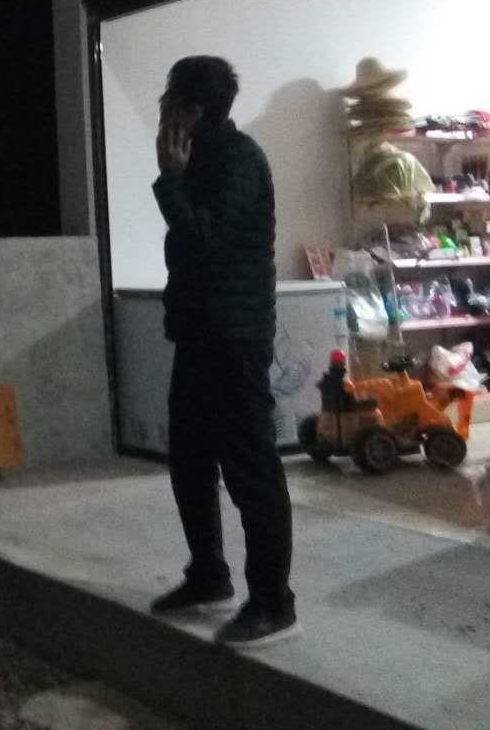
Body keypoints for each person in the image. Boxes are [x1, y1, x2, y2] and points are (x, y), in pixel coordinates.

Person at [150, 56, 298, 647]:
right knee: (189, 459)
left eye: (169, 101)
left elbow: (204, 239)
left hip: (235, 337)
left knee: (250, 468)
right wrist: (176, 178)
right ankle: (208, 574)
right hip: (198, 333)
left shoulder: (238, 160)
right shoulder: (202, 158)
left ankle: (273, 601)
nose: (162, 110)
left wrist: (170, 180)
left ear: (193, 110)